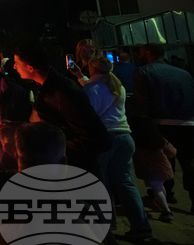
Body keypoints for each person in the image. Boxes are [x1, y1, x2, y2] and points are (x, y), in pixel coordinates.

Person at [12, 43, 110, 175]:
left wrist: (51, 147)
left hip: (77, 172)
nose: (14, 67)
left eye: (16, 62)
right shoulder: (44, 88)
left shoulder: (63, 92)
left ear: (30, 67)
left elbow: (96, 138)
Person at [83, 56, 151, 239]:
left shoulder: (92, 88)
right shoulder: (118, 86)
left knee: (102, 182)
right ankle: (141, 226)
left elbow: (90, 115)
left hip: (106, 139)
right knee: (126, 182)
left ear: (92, 69)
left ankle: (106, 226)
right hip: (125, 137)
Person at [133, 42, 194, 209]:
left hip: (161, 122)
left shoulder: (143, 72)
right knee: (188, 162)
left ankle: (165, 196)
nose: (139, 56)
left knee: (163, 161)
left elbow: (142, 101)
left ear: (148, 53)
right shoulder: (184, 73)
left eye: (141, 52)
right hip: (188, 123)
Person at [131, 115, 177, 224]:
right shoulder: (160, 140)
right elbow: (172, 152)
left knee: (157, 188)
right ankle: (162, 206)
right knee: (160, 187)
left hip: (150, 170)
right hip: (163, 168)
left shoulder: (140, 144)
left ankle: (166, 211)